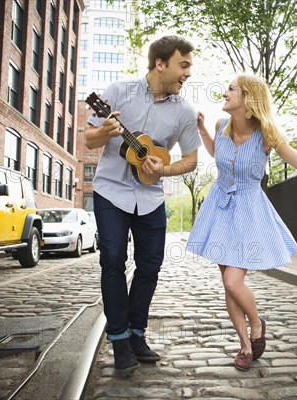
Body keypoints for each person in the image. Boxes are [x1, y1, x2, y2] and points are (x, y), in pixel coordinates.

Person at [187, 74, 297, 371]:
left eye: (231, 89)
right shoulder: (221, 126)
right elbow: (218, 153)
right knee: (228, 285)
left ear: (248, 98)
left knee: (233, 280)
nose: (225, 92)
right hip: (219, 208)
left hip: (249, 211)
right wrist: (204, 130)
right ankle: (244, 345)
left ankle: (257, 323)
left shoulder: (268, 135)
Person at [85, 35, 201, 372]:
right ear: (160, 64)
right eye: (184, 65)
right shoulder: (119, 91)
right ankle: (119, 339)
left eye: (190, 67)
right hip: (110, 191)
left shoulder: (185, 112)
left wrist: (163, 168)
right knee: (113, 261)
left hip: (151, 197)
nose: (188, 73)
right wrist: (106, 131)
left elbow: (191, 160)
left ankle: (137, 333)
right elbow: (89, 137)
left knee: (150, 266)